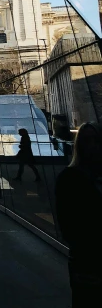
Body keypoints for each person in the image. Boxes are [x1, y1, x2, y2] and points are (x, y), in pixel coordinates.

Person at [55, 122, 102, 307]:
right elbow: (68, 225)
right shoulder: (70, 178)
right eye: (86, 141)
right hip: (87, 260)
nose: (92, 146)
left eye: (96, 140)